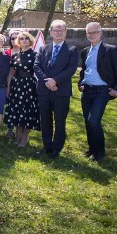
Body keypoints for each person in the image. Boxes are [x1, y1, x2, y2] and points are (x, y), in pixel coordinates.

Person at [77, 22, 117, 162]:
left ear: (101, 33)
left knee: (94, 120)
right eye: (89, 33)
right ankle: (92, 149)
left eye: (94, 32)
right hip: (87, 91)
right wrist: (81, 83)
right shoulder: (85, 51)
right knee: (88, 121)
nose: (91, 35)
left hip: (102, 91)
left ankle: (100, 152)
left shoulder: (111, 50)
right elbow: (85, 71)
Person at [34, 20, 78, 159]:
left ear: (65, 32)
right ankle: (47, 146)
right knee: (45, 120)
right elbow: (36, 66)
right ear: (51, 32)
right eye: (56, 30)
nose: (58, 32)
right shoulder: (43, 49)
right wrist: (47, 81)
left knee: (60, 121)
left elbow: (71, 69)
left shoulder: (72, 49)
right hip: (44, 90)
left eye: (61, 30)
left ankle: (56, 148)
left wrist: (55, 81)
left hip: (61, 91)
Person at [5, 31, 40, 147]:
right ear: (18, 41)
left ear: (30, 41)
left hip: (29, 86)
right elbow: (11, 72)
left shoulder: (35, 55)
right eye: (21, 39)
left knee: (28, 111)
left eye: (26, 38)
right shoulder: (15, 55)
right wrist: (8, 87)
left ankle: (25, 137)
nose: (24, 40)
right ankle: (18, 135)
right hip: (16, 86)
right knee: (16, 110)